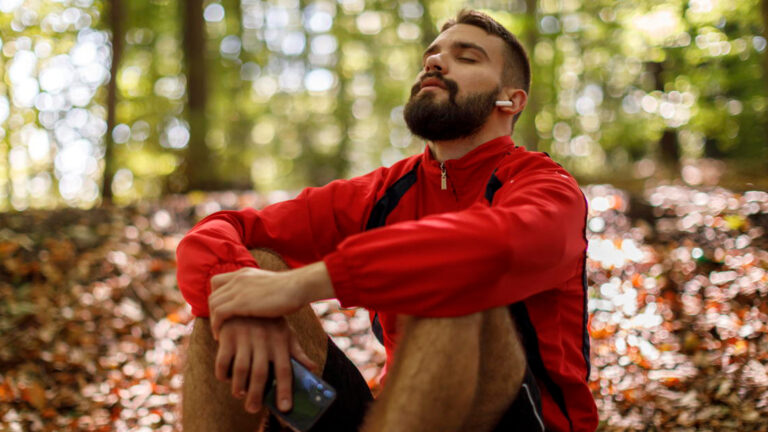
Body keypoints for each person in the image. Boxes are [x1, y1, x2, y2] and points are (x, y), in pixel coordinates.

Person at [176, 9, 598, 432]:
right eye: (431, 56)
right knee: (237, 280)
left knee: (457, 289)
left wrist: (299, 285)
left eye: (467, 57)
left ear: (511, 100)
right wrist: (245, 309)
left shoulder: (547, 187)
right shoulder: (382, 193)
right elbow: (218, 231)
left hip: (519, 421)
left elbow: (498, 248)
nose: (435, 62)